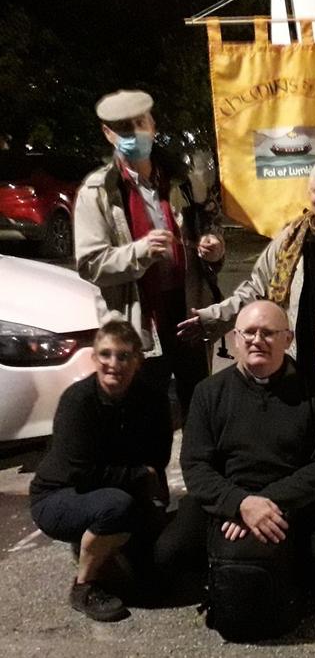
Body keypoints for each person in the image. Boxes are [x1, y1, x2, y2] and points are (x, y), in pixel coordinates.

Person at [178, 159, 315, 513]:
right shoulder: (288, 240)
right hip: (296, 379)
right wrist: (213, 318)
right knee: (304, 467)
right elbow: (253, 292)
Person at [166, 300, 315, 630]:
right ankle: (224, 578)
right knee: (169, 553)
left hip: (296, 499)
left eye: (268, 333)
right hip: (231, 495)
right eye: (248, 332)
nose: (257, 340)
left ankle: (291, 582)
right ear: (235, 339)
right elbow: (195, 465)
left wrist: (270, 504)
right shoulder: (208, 392)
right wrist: (238, 504)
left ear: (288, 338)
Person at [74, 89, 224, 420]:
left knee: (200, 411)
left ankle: (196, 469)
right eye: (124, 129)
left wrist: (213, 249)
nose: (135, 135)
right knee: (143, 418)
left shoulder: (181, 182)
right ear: (108, 134)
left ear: (153, 125)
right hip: (139, 323)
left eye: (140, 123)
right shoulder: (98, 192)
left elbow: (210, 229)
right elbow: (90, 264)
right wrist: (140, 251)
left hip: (188, 313)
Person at [30, 320, 172, 622]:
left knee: (157, 571)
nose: (113, 364)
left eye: (123, 356)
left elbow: (158, 459)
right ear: (94, 359)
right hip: (59, 494)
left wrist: (149, 491)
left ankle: (102, 542)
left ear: (138, 361)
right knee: (117, 508)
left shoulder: (154, 401)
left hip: (117, 488)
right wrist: (138, 476)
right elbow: (82, 472)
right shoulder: (78, 401)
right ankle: (84, 586)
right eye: (105, 355)